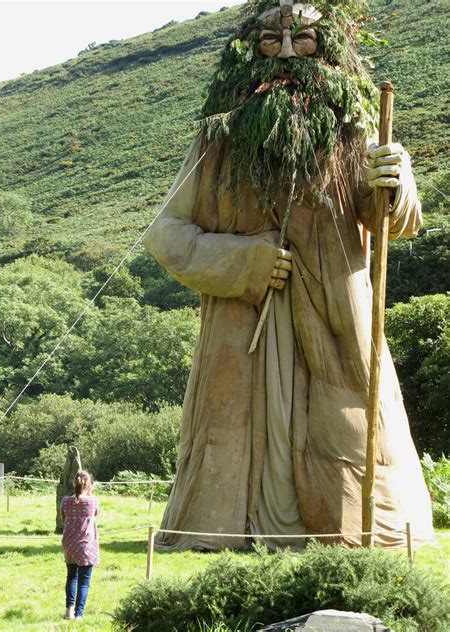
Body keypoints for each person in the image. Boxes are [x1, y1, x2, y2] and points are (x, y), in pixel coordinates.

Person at [145, 0, 434, 550]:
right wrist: (242, 261)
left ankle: (360, 529)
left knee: (351, 435)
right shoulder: (219, 141)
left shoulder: (355, 132)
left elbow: (393, 222)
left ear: (330, 52)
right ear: (245, 55)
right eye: (269, 42)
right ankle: (225, 529)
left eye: (302, 41)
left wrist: (393, 183)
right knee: (239, 436)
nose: (283, 55)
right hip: (243, 333)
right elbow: (166, 234)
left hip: (336, 328)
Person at [61, 470, 100, 621]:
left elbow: (63, 519)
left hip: (69, 544)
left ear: (74, 483)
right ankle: (79, 614)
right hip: (86, 545)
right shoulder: (93, 501)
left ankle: (69, 611)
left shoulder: (65, 501)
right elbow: (97, 513)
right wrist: (90, 493)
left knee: (71, 577)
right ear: (89, 485)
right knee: (84, 582)